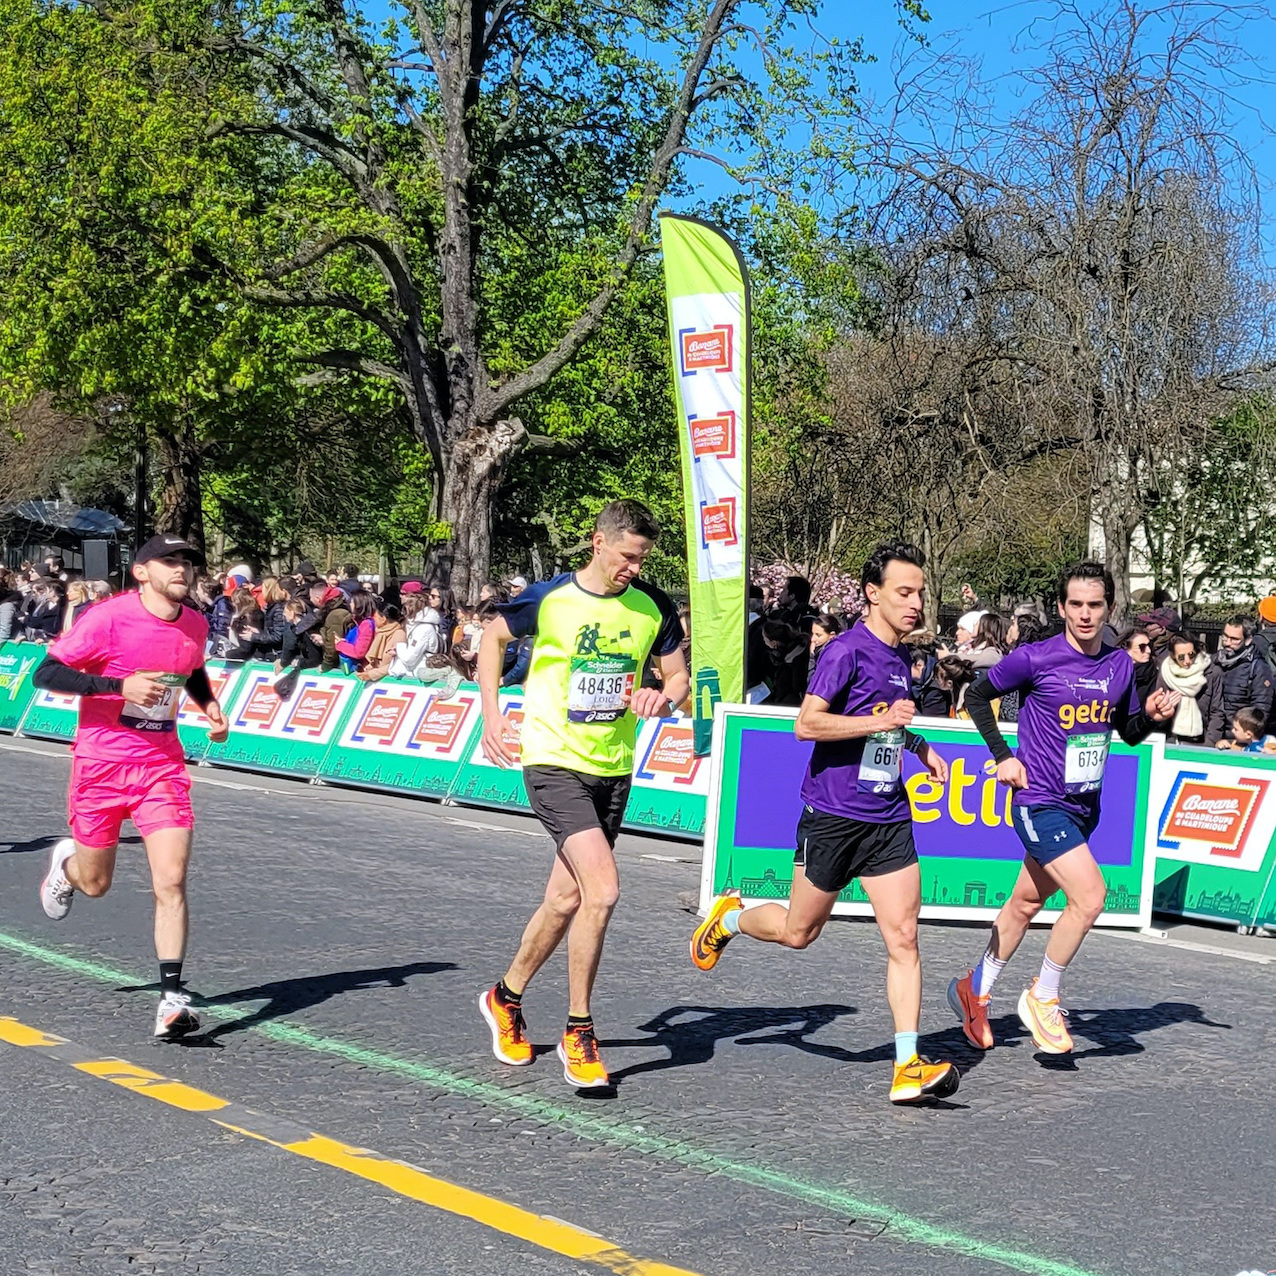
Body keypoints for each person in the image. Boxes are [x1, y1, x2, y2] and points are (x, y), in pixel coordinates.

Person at [690, 542, 960, 1106]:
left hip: (889, 817)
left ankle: (907, 1063)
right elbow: (808, 726)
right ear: (873, 593)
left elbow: (883, 723)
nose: (915, 604)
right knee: (798, 933)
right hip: (833, 818)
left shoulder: (898, 658)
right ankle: (731, 918)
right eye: (903, 592)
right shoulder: (846, 651)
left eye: (919, 593)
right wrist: (883, 721)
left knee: (905, 937)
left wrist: (917, 746)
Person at [476, 499, 688, 1090]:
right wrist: (491, 714)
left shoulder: (653, 606)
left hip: (613, 769)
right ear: (598, 543)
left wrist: (662, 697)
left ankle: (505, 996)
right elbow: (491, 640)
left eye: (642, 560)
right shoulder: (549, 599)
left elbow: (679, 676)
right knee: (604, 889)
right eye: (626, 557)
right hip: (552, 762)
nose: (633, 569)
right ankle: (579, 1029)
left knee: (565, 901)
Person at [949, 561, 1179, 1056]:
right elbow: (978, 695)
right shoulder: (1035, 658)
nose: (1084, 614)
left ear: (1109, 609)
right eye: (1075, 604)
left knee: (1026, 904)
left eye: (1094, 605)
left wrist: (1153, 718)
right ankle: (1043, 996)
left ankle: (976, 988)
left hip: (1083, 807)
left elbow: (1129, 731)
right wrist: (1004, 757)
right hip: (1038, 801)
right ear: (1061, 607)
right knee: (1091, 897)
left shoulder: (1120, 666)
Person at [32, 533, 230, 1038]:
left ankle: (170, 1000)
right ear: (142, 572)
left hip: (161, 766)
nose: (182, 569)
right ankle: (67, 867)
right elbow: (45, 672)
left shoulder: (195, 623)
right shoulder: (108, 618)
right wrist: (118, 687)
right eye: (170, 561)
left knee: (172, 879)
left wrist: (208, 706)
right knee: (96, 884)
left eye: (187, 561)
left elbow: (191, 670)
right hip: (100, 764)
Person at [1202, 616, 1275, 747]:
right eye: (1225, 636)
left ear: (1248, 640)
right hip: (1209, 737)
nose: (1227, 642)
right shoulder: (1214, 661)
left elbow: (1259, 714)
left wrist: (1236, 742)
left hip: (1236, 743)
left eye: (1234, 639)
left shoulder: (1259, 669)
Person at [1156, 633, 1210, 744]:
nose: (1187, 661)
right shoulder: (1166, 673)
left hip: (1204, 739)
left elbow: (1217, 712)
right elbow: (1158, 716)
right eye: (1181, 657)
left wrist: (1209, 745)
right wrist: (1166, 708)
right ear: (1173, 656)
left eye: (1191, 655)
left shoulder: (1210, 672)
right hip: (1173, 739)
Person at [357, 601, 407, 681]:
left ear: (383, 619)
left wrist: (372, 674)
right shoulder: (380, 633)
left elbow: (397, 663)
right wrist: (368, 669)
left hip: (390, 681)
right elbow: (377, 660)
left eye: (375, 616)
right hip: (377, 679)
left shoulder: (399, 634)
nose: (373, 619)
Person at [335, 591, 377, 672]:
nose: (350, 604)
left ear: (358, 605)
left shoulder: (366, 624)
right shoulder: (360, 622)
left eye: (352, 602)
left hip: (363, 669)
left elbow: (359, 653)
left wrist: (340, 645)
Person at [1116, 625, 1157, 706]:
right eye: (1142, 647)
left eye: (1149, 645)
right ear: (1127, 648)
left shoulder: (1156, 676)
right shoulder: (1114, 675)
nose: (1148, 651)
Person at [808, 612, 843, 679]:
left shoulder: (832, 656)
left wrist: (812, 658)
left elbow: (813, 682)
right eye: (813, 634)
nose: (813, 639)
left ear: (832, 635)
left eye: (818, 635)